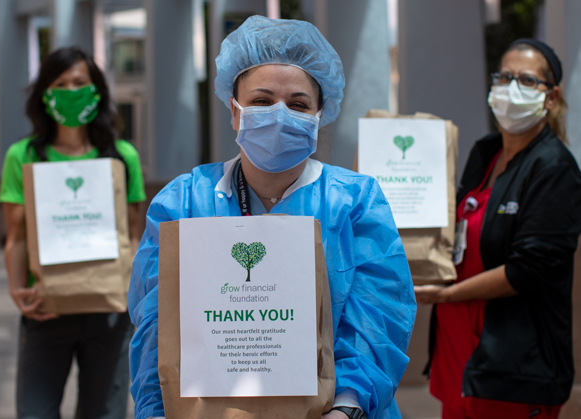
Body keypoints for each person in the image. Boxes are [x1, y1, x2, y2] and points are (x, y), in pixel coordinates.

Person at [129, 16, 416, 419]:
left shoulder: (354, 201)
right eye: (262, 101)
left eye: (298, 104)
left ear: (319, 116)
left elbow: (378, 313)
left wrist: (348, 407)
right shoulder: (183, 202)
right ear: (234, 111)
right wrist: (157, 410)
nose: (280, 114)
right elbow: (156, 323)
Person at [415, 39, 581, 419]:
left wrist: (448, 294)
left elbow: (531, 268)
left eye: (526, 80)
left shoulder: (555, 169)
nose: (511, 87)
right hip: (458, 346)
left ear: (551, 97)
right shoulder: (485, 152)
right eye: (504, 76)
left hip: (512, 360)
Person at [0, 47, 146, 419]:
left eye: (79, 83)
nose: (70, 91)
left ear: (96, 91)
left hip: (108, 313)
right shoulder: (23, 155)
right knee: (36, 411)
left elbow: (133, 234)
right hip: (47, 307)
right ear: (44, 94)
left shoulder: (122, 156)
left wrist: (133, 300)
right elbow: (15, 236)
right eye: (60, 84)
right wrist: (18, 290)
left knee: (105, 413)